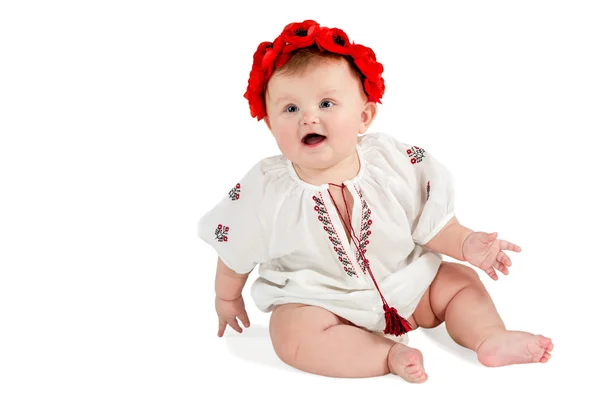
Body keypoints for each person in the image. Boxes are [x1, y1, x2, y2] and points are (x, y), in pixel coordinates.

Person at [197, 19, 553, 383]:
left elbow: (431, 223)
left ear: (364, 116)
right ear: (270, 125)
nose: (308, 117)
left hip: (411, 286)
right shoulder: (265, 188)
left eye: (326, 102)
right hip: (323, 305)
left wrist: (465, 242)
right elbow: (234, 248)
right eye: (290, 109)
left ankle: (489, 337)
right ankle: (388, 355)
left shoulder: (391, 162)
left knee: (459, 281)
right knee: (289, 333)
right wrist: (226, 298)